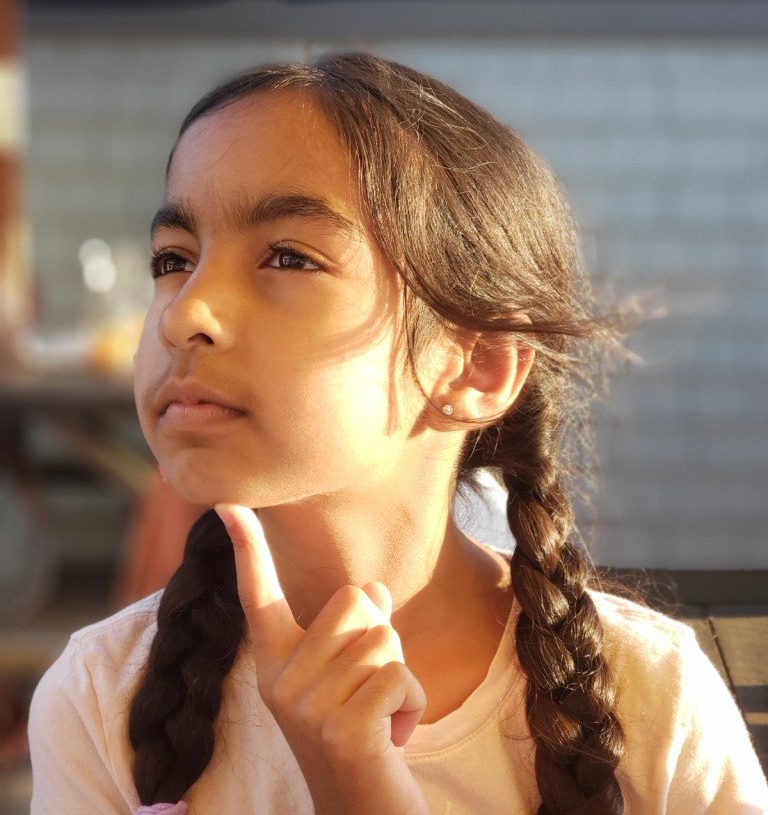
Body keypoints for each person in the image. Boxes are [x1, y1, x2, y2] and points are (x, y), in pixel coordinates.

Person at [29, 53, 767, 813]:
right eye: (174, 259)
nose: (185, 312)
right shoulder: (100, 700)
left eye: (289, 257)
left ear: (477, 366)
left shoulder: (651, 697)